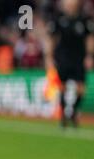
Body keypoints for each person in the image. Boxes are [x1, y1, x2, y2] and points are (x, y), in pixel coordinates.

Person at [45, 0, 94, 128]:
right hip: (63, 58)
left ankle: (72, 110)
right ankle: (63, 115)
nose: (70, 6)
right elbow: (52, 38)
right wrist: (49, 57)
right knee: (62, 87)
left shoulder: (84, 20)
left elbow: (89, 38)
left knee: (81, 89)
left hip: (79, 58)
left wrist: (89, 56)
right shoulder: (58, 19)